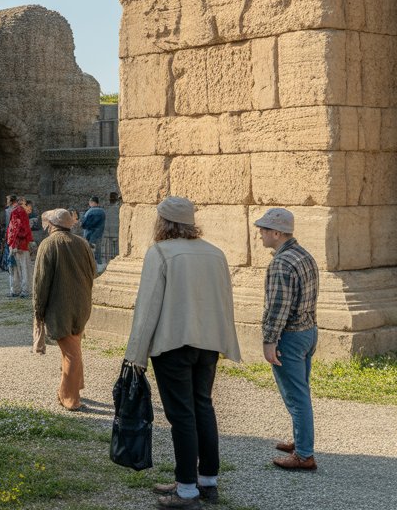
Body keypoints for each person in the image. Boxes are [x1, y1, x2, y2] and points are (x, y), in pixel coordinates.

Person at [124, 196, 240, 510]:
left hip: (174, 343)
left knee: (182, 416)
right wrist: (226, 341)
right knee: (203, 407)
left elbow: (147, 309)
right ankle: (207, 481)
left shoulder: (160, 252)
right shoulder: (215, 253)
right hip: (208, 343)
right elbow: (224, 301)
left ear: (162, 222)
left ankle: (187, 490)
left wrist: (135, 354)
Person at [256, 207, 319, 472]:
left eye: (264, 229)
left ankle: (304, 455)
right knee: (300, 390)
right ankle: (300, 441)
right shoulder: (304, 254)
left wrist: (269, 341)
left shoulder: (281, 263)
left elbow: (278, 308)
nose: (260, 234)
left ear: (277, 233)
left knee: (296, 396)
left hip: (290, 336)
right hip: (308, 331)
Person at [33, 208, 96, 411]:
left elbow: (41, 281)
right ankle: (74, 386)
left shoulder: (49, 244)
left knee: (70, 352)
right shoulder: (83, 243)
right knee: (73, 348)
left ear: (51, 225)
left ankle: (70, 398)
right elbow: (93, 271)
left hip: (61, 305)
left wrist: (38, 310)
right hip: (82, 303)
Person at [6, 197, 33, 298]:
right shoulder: (21, 212)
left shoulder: (14, 212)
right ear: (23, 203)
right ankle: (26, 290)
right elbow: (23, 228)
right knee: (25, 268)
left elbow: (11, 229)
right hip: (21, 244)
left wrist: (11, 242)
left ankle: (15, 290)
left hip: (13, 244)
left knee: (14, 269)